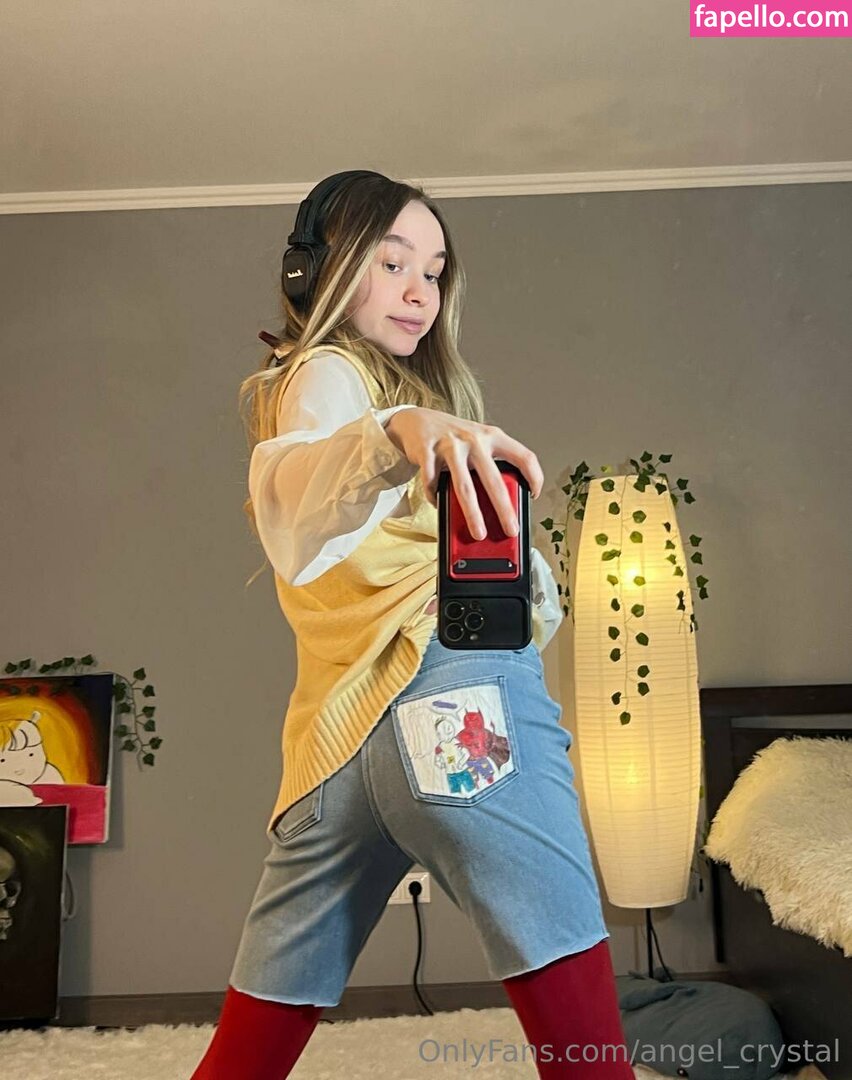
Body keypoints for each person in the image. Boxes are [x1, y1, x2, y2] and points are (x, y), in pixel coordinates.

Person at [190, 170, 634, 1079]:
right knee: (581, 1025)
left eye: (433, 272)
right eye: (391, 262)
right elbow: (294, 486)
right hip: (453, 698)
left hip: (333, 751)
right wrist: (397, 427)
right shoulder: (329, 376)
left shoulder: (344, 392)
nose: (418, 290)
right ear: (317, 271)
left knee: (249, 1048)